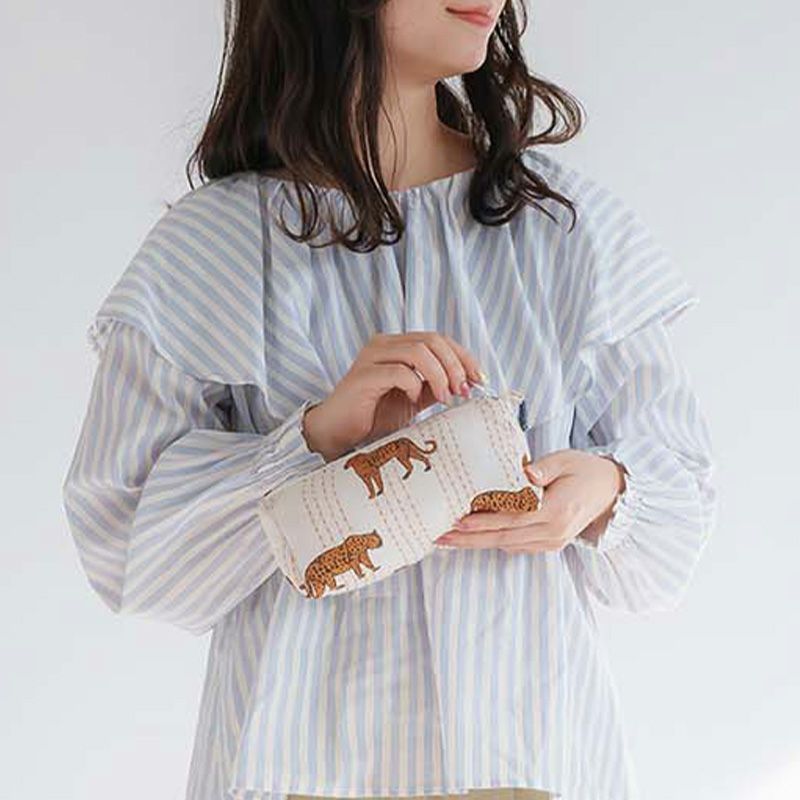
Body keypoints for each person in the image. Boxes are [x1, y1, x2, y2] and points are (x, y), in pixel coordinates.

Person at [61, 2, 718, 799]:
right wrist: (311, 439)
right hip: (298, 770)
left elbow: (678, 531)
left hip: (529, 765)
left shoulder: (567, 232)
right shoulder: (212, 251)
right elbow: (128, 550)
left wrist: (606, 490)